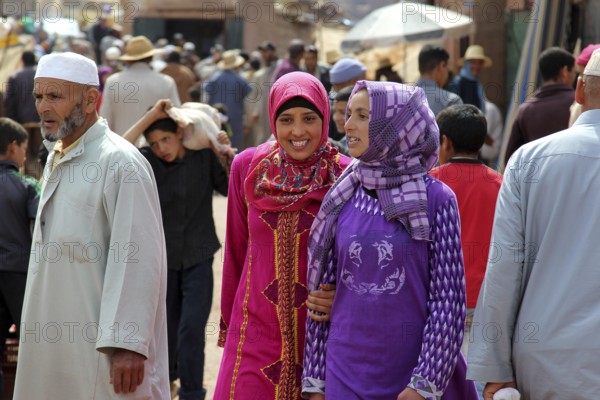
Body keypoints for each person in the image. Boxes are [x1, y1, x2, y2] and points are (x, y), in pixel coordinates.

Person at [302, 81, 478, 400]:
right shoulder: (342, 194)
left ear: (395, 126)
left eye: (363, 116)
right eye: (349, 114)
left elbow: (448, 299)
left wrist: (424, 383)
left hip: (409, 377)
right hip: (344, 372)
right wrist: (315, 381)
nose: (348, 124)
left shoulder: (436, 199)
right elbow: (321, 295)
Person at [13, 52, 169, 399]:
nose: (43, 107)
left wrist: (128, 343)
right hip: (50, 341)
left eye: (55, 96)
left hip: (102, 349)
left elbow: (139, 257)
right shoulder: (57, 156)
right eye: (39, 96)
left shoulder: (120, 162)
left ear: (89, 99)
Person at [466, 49, 600, 400]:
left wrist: (494, 369)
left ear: (580, 90)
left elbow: (504, 267)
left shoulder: (530, 160)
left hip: (544, 361)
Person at [214, 71, 351, 399]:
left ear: (325, 118)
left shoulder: (346, 174)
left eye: (309, 118)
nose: (298, 131)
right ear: (274, 120)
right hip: (254, 331)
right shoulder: (247, 167)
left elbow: (357, 257)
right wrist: (228, 324)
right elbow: (236, 249)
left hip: (321, 334)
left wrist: (344, 300)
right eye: (286, 119)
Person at [123, 99, 229, 400]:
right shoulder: (146, 161)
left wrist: (222, 150)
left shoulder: (203, 159)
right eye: (154, 143)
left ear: (180, 133)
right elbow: (118, 148)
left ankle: (193, 393)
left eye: (165, 139)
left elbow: (230, 186)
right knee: (165, 333)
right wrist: (151, 116)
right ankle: (166, 386)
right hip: (162, 261)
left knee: (191, 330)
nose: (161, 149)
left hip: (199, 256)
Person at [429, 104, 503, 354]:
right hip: (487, 301)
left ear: (445, 142)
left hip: (439, 301)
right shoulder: (501, 185)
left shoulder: (430, 183)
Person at [0, 118, 40, 398]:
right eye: (24, 147)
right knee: (35, 346)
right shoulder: (27, 185)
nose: (25, 154)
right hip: (20, 275)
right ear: (14, 147)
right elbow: (42, 227)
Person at [503, 46, 576, 162]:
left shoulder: (525, 110)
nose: (575, 78)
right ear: (564, 71)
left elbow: (511, 159)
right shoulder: (578, 103)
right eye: (574, 72)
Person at [100, 35, 181, 136]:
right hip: (156, 148)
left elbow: (105, 120)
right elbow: (177, 118)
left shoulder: (113, 81)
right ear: (151, 58)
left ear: (128, 59)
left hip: (121, 146)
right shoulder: (166, 81)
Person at [205, 50, 252, 150]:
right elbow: (248, 102)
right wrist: (247, 121)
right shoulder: (240, 80)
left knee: (218, 146)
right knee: (235, 148)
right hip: (235, 119)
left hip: (215, 118)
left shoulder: (214, 78)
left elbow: (206, 96)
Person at [415, 44, 463, 116]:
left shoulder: (401, 97)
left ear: (419, 67)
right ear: (441, 66)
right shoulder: (451, 101)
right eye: (447, 67)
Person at [448, 45, 492, 111]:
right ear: (466, 64)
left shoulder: (477, 84)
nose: (477, 66)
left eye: (479, 63)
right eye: (474, 63)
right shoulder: (458, 83)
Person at [568, 43, 600, 126]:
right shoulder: (578, 106)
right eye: (580, 74)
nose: (581, 78)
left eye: (583, 74)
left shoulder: (581, 106)